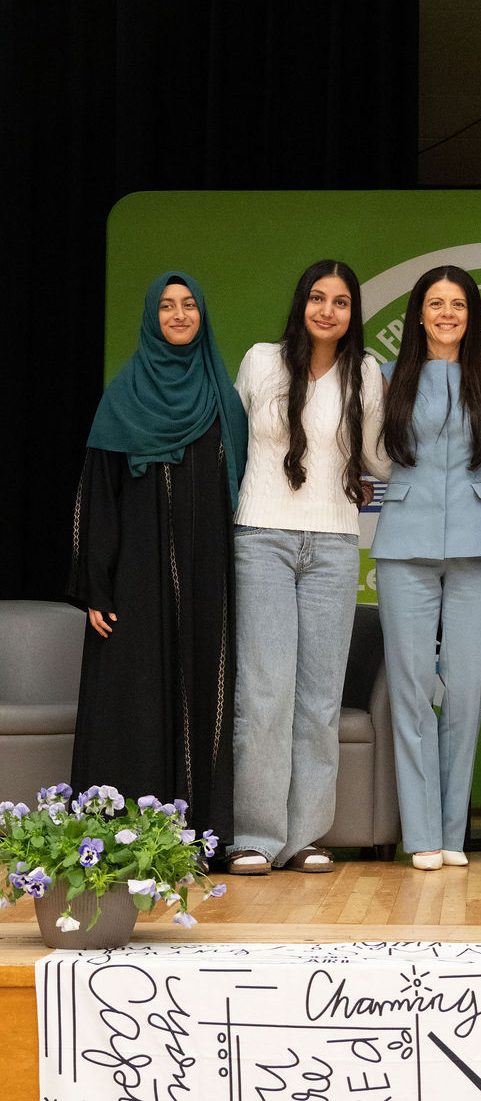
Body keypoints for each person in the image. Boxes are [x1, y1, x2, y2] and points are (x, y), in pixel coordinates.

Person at [69, 272, 248, 843]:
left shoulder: (224, 398)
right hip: (139, 581)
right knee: (139, 696)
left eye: (189, 304)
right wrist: (98, 586)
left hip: (211, 575)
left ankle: (205, 834)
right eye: (167, 306)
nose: (178, 315)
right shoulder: (124, 395)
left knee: (208, 690)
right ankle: (130, 839)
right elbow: (99, 497)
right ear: (151, 317)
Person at [229, 260, 386, 875]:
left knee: (320, 699)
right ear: (302, 305)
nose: (328, 310)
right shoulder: (261, 360)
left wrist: (450, 457)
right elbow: (230, 440)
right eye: (318, 298)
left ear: (353, 313)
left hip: (335, 543)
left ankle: (307, 836)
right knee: (265, 694)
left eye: (341, 302)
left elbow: (376, 455)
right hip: (261, 535)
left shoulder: (366, 372)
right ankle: (254, 837)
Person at [372, 267, 481, 870]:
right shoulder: (382, 378)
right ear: (418, 314)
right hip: (404, 541)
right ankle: (421, 834)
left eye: (458, 304)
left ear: (472, 315)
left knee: (466, 690)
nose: (448, 313)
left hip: (477, 541)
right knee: (410, 690)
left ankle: (453, 835)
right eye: (436, 303)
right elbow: (368, 456)